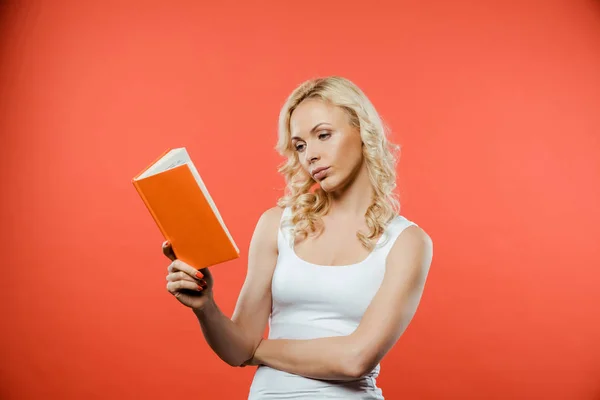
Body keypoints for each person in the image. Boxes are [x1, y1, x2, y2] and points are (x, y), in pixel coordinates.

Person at [163, 76, 434, 399]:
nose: (311, 155)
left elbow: (354, 359)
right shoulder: (277, 225)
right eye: (300, 145)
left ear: (363, 131)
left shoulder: (406, 242)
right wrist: (205, 307)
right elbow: (235, 348)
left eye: (323, 135)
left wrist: (257, 350)